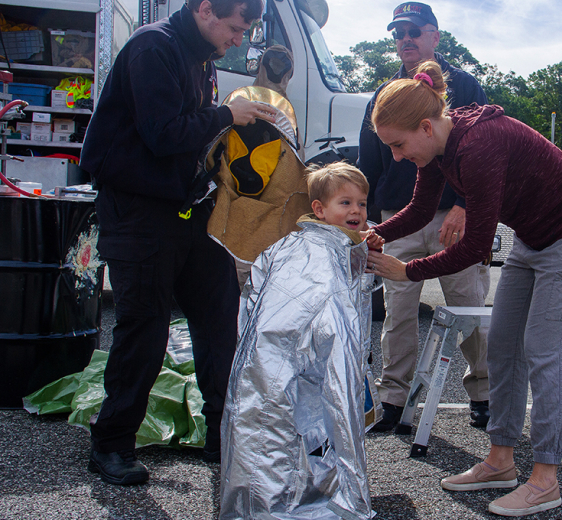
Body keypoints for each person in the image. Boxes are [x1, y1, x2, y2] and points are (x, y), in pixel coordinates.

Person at [364, 61, 562, 517]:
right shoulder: (440, 145)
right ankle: (500, 461)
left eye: (398, 145)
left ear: (423, 126)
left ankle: (545, 480)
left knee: (546, 351)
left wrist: (408, 270)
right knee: (501, 347)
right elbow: (420, 209)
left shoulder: (477, 145)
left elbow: (476, 245)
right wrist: (378, 233)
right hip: (534, 238)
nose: (396, 156)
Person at [79, 0, 270, 485]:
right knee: (144, 329)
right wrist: (226, 114)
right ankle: (111, 445)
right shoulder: (153, 47)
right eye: (234, 27)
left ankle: (222, 436)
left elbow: (192, 139)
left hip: (188, 210)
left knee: (219, 321)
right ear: (206, 9)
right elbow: (163, 135)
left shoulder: (200, 56)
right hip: (139, 211)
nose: (238, 40)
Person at [358, 1, 491, 432]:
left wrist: (467, 205)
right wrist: (364, 220)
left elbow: (485, 155)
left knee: (468, 310)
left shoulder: (465, 85)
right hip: (398, 214)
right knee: (397, 315)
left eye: (414, 30)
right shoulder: (384, 94)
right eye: (397, 33)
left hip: (453, 217)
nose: (405, 40)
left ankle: (486, 395)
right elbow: (369, 163)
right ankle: (394, 401)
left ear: (435, 35)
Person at [220, 163, 374, 520]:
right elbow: (338, 353)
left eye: (362, 204)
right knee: (281, 450)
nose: (356, 212)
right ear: (319, 209)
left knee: (279, 450)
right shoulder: (316, 260)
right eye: (346, 203)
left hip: (271, 379)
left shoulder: (307, 245)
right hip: (283, 379)